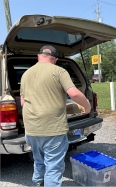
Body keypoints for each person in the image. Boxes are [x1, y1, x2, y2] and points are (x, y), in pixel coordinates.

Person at [20, 45, 91, 186]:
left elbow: (22, 102)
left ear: (38, 56)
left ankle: (39, 183)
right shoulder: (59, 71)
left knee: (39, 160)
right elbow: (74, 93)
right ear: (55, 59)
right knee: (53, 166)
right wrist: (87, 106)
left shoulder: (26, 74)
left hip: (31, 128)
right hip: (52, 128)